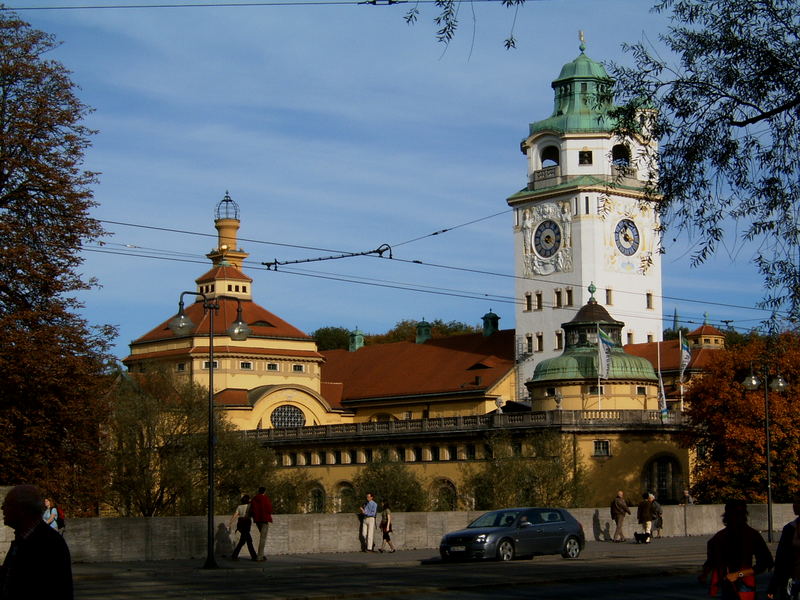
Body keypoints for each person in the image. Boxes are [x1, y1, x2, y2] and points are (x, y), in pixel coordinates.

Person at [0, 484, 73, 599]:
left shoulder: (49, 543)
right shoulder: (23, 537)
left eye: (8, 503)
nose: (2, 508)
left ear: (23, 509)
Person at [700, 499, 773, 600]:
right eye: (734, 514)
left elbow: (765, 562)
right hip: (732, 584)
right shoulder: (720, 537)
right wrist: (706, 572)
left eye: (738, 514)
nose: (736, 518)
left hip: (743, 585)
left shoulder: (750, 535)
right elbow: (712, 559)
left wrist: (738, 574)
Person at [768, 494, 800, 600]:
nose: (794, 505)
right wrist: (774, 584)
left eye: (798, 502)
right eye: (794, 502)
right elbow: (781, 559)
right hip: (792, 581)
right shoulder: (790, 528)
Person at [229, 494, 257, 561]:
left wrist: (230, 522)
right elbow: (253, 514)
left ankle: (234, 556)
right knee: (249, 540)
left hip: (240, 523)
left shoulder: (239, 506)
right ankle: (254, 557)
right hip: (246, 523)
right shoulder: (250, 506)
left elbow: (235, 515)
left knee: (243, 541)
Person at [249, 487, 273, 562]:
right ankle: (259, 557)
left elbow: (251, 509)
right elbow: (269, 509)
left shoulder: (254, 499)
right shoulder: (265, 498)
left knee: (262, 537)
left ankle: (261, 555)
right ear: (264, 492)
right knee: (263, 538)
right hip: (264, 520)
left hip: (257, 520)